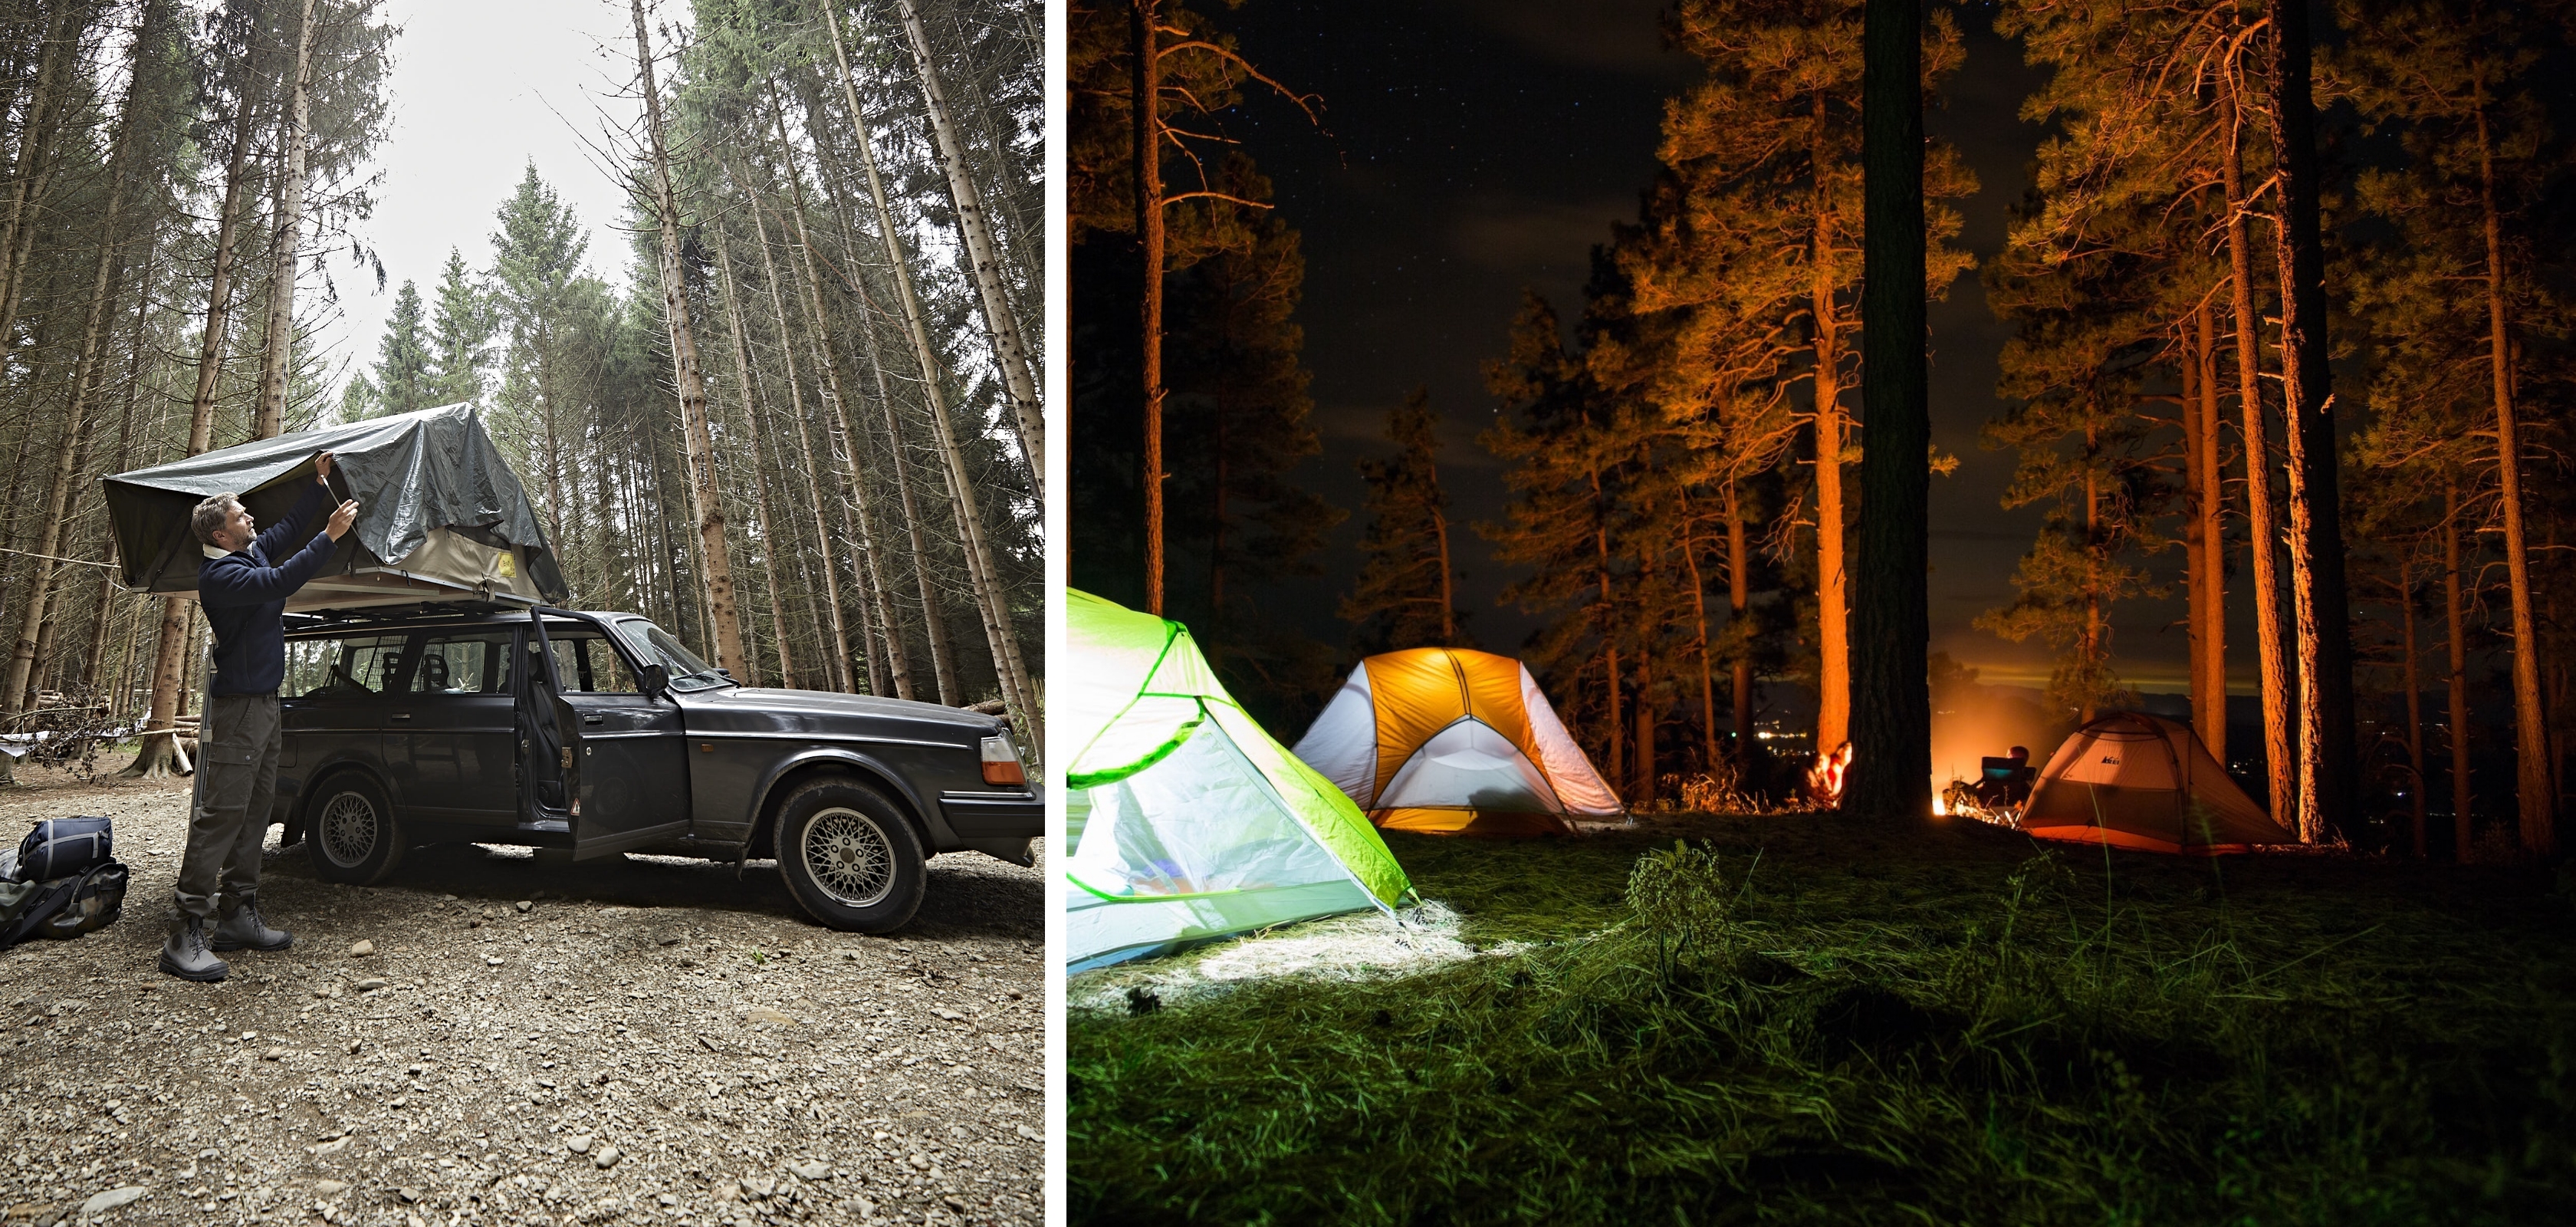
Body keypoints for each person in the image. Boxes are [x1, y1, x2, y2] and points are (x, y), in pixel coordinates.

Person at [159, 454, 360, 982]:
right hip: (239, 710)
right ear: (221, 533)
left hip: (266, 704)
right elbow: (282, 581)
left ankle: (239, 914)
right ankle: (186, 930)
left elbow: (287, 531)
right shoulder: (221, 575)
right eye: (243, 517)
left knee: (256, 808)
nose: (253, 521)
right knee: (222, 813)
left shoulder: (243, 555)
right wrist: (332, 535)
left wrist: (318, 488)